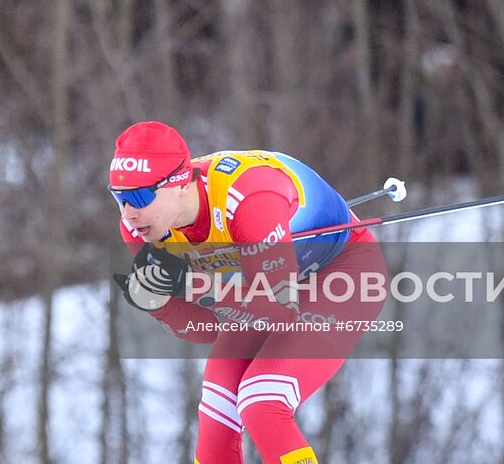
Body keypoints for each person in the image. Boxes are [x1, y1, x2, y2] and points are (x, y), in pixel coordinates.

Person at [109, 121, 389, 464]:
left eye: (138, 197)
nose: (128, 213)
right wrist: (161, 305)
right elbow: (207, 328)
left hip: (342, 272)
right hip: (255, 292)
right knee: (216, 412)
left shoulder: (248, 197)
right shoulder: (140, 229)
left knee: (262, 400)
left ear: (179, 184)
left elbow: (280, 311)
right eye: (119, 198)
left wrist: (195, 285)